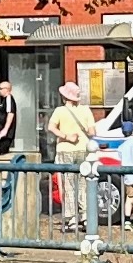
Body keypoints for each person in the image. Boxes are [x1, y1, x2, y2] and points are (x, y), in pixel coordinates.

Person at [46, 76, 98, 228]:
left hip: (65, 149)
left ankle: (72, 217)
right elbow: (92, 132)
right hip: (83, 149)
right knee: (83, 183)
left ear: (64, 96)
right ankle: (85, 215)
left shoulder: (60, 111)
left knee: (68, 184)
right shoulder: (86, 110)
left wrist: (66, 136)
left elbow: (51, 127)